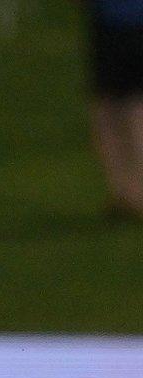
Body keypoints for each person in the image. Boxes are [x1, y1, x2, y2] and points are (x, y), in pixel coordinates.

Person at [84, 0, 143, 220]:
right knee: (135, 108)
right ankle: (134, 192)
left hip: (113, 25)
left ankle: (126, 194)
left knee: (108, 111)